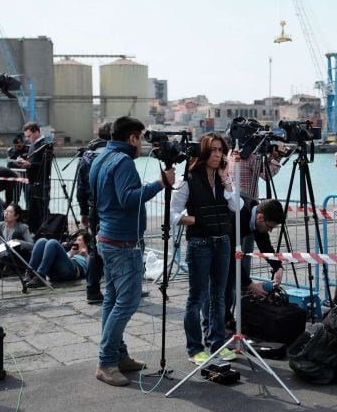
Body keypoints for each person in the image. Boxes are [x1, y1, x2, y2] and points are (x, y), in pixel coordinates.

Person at [92, 116, 175, 387]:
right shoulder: (123, 161)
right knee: (126, 303)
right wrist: (160, 183)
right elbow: (127, 199)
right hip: (122, 242)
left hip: (107, 237)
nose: (142, 144)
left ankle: (118, 354)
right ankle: (106, 362)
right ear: (132, 138)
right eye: (141, 138)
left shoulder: (102, 157)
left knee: (112, 300)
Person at [171, 132, 239, 366]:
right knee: (196, 297)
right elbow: (173, 213)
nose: (217, 154)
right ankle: (194, 347)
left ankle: (217, 343)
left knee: (219, 297)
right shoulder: (189, 179)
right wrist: (194, 220)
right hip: (200, 243)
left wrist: (226, 179)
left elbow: (236, 205)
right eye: (213, 150)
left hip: (223, 242)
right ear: (204, 152)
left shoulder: (223, 179)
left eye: (221, 150)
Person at [225, 190, 286, 325]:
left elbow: (264, 244)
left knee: (229, 285)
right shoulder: (238, 217)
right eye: (270, 226)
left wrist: (278, 267)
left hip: (227, 246)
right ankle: (216, 328)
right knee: (223, 287)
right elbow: (230, 257)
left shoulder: (258, 211)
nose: (270, 230)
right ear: (260, 217)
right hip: (211, 241)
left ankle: (226, 320)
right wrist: (250, 284)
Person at [80, 122, 112, 304]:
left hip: (93, 208)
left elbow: (81, 186)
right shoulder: (114, 155)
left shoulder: (87, 155)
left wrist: (83, 210)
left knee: (95, 249)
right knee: (116, 247)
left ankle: (92, 290)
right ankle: (117, 289)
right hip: (110, 208)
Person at [14, 122, 52, 234]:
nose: (27, 138)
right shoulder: (33, 145)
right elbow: (32, 161)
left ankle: (44, 233)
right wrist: (23, 162)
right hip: (32, 182)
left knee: (42, 210)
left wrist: (29, 165)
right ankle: (34, 233)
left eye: (29, 136)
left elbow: (46, 165)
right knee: (32, 210)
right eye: (26, 136)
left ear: (37, 132)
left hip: (41, 183)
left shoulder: (45, 144)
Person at [24, 232, 90, 288]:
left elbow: (92, 268)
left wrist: (86, 254)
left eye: (79, 240)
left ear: (86, 243)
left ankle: (40, 276)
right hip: (58, 272)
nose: (76, 242)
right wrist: (71, 254)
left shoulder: (90, 254)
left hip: (73, 271)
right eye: (76, 240)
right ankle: (30, 274)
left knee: (53, 242)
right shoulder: (71, 251)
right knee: (42, 241)